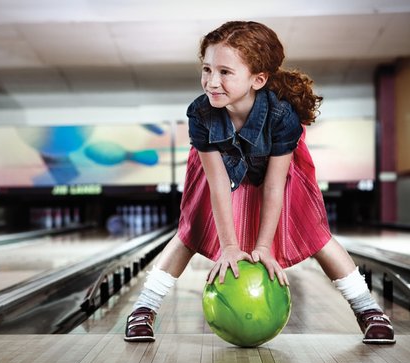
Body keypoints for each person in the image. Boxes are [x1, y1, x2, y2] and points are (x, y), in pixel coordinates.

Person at [124, 21, 395, 345]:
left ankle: (368, 310)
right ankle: (144, 308)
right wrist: (229, 246)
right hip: (221, 175)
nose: (212, 81)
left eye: (225, 72)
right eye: (207, 69)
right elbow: (218, 183)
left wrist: (264, 247)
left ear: (258, 79)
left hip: (276, 175)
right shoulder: (200, 114)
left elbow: (273, 186)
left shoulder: (282, 117)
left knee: (314, 233)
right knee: (191, 231)